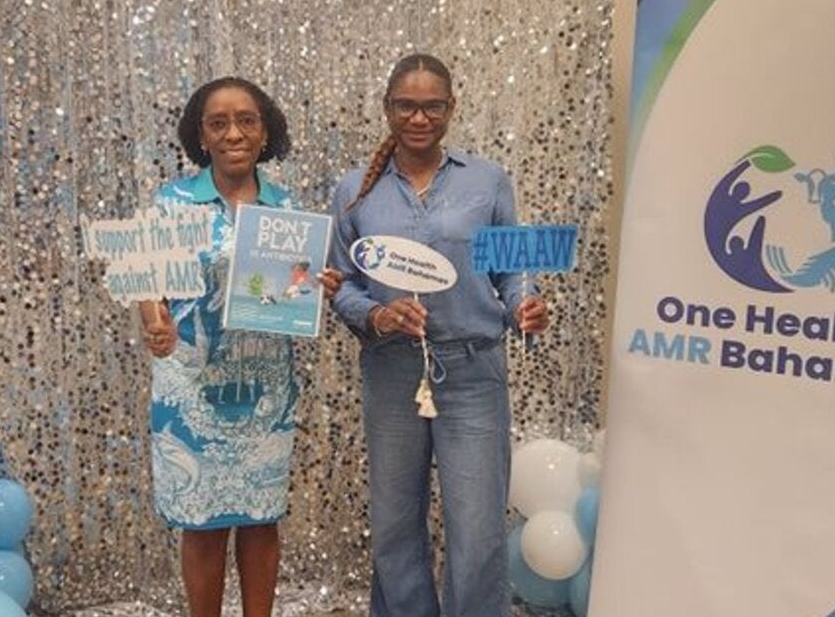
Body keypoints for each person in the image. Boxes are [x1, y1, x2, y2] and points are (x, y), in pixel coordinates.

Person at [328, 54, 548, 616]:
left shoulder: (488, 180)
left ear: (451, 109)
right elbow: (342, 284)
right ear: (388, 109)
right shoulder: (354, 190)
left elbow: (512, 270)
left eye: (432, 106)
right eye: (406, 105)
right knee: (395, 523)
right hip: (393, 369)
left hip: (473, 369)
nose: (419, 118)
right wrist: (375, 316)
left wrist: (526, 305)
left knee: (477, 529)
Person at [137, 76, 342, 617]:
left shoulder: (287, 207)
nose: (234, 132)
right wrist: (155, 322)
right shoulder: (173, 202)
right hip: (191, 386)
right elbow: (146, 282)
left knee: (259, 518)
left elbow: (289, 291)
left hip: (265, 389)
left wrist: (317, 285)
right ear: (200, 136)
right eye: (218, 122)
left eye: (247, 120)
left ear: (264, 130)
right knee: (203, 525)